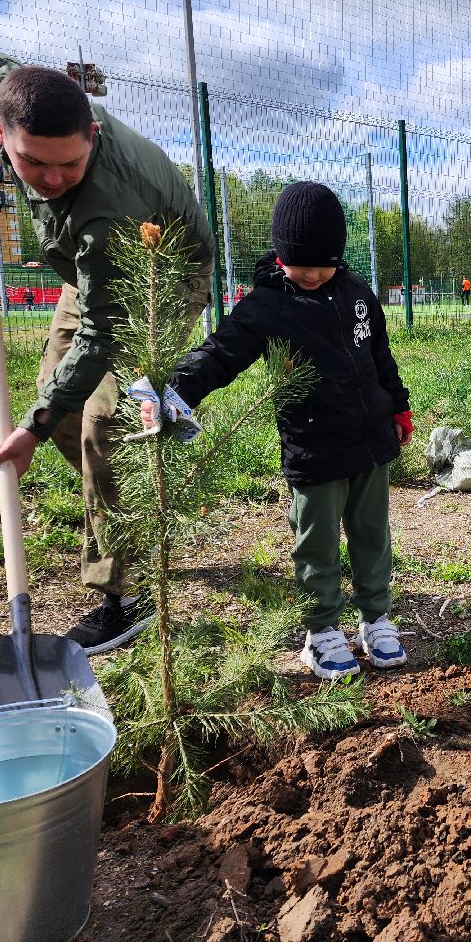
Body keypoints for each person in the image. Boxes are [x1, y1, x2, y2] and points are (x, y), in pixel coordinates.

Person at [0, 53, 215, 654]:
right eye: (32, 163)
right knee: (65, 413)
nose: (52, 179)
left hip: (157, 271)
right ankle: (137, 510)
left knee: (103, 425)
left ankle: (125, 591)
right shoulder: (0, 95)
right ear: (2, 133)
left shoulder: (108, 205)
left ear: (93, 134)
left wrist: (30, 429)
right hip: (89, 273)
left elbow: (101, 333)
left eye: (69, 163)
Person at [142, 182, 412, 680]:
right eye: (297, 262)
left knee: (373, 535)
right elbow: (220, 353)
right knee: (318, 541)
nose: (309, 273)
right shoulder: (266, 305)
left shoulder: (358, 297)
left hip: (371, 444)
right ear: (279, 254)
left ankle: (376, 617)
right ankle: (322, 630)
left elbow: (380, 359)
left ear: (340, 253)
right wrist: (176, 390)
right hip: (314, 452)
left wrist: (398, 409)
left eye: (320, 262)